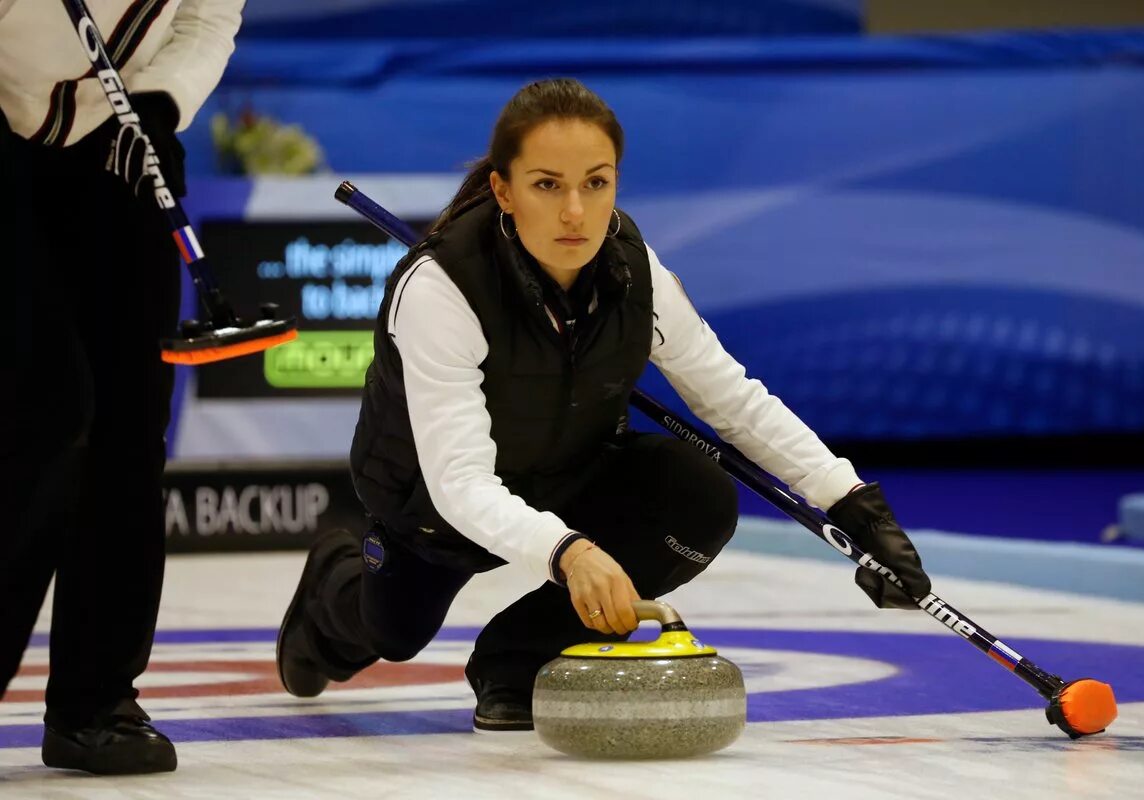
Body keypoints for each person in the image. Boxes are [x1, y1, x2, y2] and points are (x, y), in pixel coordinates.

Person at [276, 77, 931, 732]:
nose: (575, 212)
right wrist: (568, 552)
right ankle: (328, 593)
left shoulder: (633, 271)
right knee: (392, 636)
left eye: (596, 183)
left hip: (568, 477)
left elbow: (733, 399)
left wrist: (854, 503)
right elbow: (461, 483)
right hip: (434, 512)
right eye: (547, 185)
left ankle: (517, 663)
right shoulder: (441, 288)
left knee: (695, 497)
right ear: (503, 190)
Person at [0, 0, 244, 775]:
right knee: (46, 405)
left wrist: (163, 102)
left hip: (119, 138)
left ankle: (95, 700)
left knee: (128, 425)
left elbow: (207, 19)